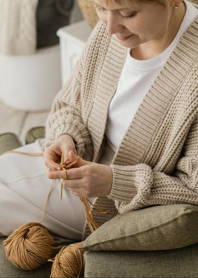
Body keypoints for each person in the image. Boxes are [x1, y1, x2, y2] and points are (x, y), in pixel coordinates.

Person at [0, 0, 198, 242]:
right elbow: (70, 103)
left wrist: (115, 183)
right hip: (72, 172)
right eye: (100, 9)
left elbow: (193, 189)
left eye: (128, 13)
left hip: (114, 204)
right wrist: (67, 137)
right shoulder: (110, 34)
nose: (110, 28)